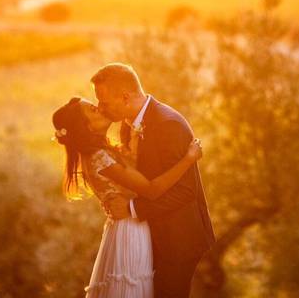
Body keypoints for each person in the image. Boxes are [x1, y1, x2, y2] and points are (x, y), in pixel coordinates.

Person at [52, 96, 203, 298]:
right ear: (85, 126)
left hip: (129, 226)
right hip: (130, 231)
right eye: (93, 110)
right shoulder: (99, 157)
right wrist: (188, 159)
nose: (100, 108)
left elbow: (132, 169)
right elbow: (151, 189)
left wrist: (133, 137)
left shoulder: (103, 151)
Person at [92, 63, 216, 298]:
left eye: (104, 102)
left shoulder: (168, 124)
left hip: (177, 238)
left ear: (125, 97)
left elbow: (186, 191)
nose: (101, 108)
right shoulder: (128, 126)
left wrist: (131, 208)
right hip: (151, 233)